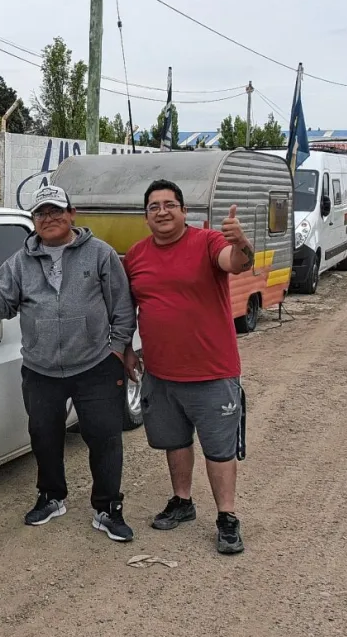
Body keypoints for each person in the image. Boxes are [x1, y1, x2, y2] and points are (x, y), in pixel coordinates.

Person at [0, 184, 137, 542]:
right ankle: (51, 497)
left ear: (71, 214)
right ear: (34, 221)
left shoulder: (100, 255)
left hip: (95, 365)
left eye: (55, 211)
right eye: (41, 213)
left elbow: (121, 307)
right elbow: (4, 307)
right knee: (43, 435)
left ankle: (108, 508)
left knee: (104, 438)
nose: (49, 218)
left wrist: (117, 349)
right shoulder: (19, 262)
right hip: (40, 369)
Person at [121, 178, 254, 555]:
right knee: (175, 442)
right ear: (146, 216)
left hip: (212, 371)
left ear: (184, 211)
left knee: (219, 448)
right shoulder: (137, 256)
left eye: (169, 204)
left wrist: (241, 242)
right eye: (154, 206)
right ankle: (183, 501)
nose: (162, 211)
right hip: (161, 374)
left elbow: (237, 264)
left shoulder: (208, 242)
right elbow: (129, 307)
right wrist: (130, 350)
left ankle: (227, 518)